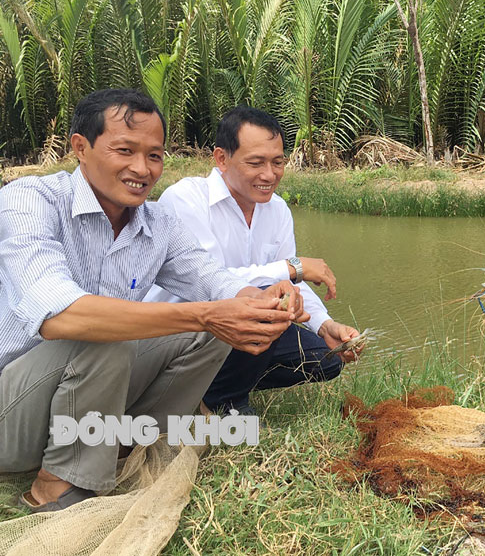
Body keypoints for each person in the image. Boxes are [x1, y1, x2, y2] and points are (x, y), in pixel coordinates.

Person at [0, 89, 306, 512]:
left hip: (88, 404)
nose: (141, 169)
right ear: (80, 147)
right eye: (124, 150)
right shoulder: (30, 201)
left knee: (213, 332)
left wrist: (261, 300)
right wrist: (204, 313)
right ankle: (56, 484)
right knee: (109, 335)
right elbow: (62, 316)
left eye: (155, 156)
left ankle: (129, 443)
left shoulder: (158, 221)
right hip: (11, 412)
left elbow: (211, 280)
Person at [145, 106, 360, 416]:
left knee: (324, 358)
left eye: (277, 162)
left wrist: (325, 325)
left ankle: (209, 385)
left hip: (236, 328)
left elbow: (288, 285)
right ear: (221, 159)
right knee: (264, 311)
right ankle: (221, 400)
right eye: (255, 163)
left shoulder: (277, 210)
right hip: (181, 331)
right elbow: (208, 282)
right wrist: (291, 267)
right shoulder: (186, 199)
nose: (269, 175)